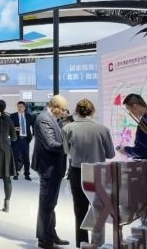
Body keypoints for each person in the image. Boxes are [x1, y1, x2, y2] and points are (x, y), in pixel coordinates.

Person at [62, 99, 115, 248]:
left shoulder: (67, 128)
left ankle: (82, 243)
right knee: (99, 209)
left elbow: (66, 151)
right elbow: (110, 154)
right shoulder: (103, 129)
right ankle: (97, 243)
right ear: (93, 111)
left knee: (80, 209)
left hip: (77, 171)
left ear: (76, 111)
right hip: (98, 172)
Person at [32, 94, 71, 249]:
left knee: (50, 204)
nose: (64, 112)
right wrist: (71, 145)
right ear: (55, 106)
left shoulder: (51, 118)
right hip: (48, 167)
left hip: (53, 167)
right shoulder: (44, 119)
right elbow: (50, 144)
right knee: (46, 204)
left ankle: (50, 235)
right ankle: (44, 239)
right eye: (63, 110)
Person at [10, 101, 34, 181]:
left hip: (25, 140)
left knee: (26, 158)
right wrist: (14, 128)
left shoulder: (29, 116)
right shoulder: (13, 116)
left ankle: (27, 174)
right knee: (15, 157)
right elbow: (8, 127)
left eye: (21, 106)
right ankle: (15, 173)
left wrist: (32, 135)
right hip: (16, 139)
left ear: (24, 107)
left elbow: (33, 125)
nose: (19, 108)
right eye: (18, 106)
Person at [118, 93, 147, 159]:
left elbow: (142, 151)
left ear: (135, 106)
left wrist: (125, 150)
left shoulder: (144, 123)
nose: (130, 114)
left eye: (129, 109)